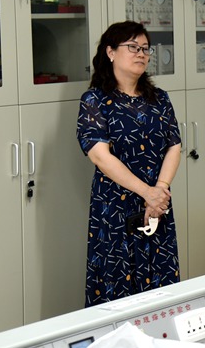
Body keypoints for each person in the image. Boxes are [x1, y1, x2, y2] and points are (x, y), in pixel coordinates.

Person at [77, 21, 182, 306]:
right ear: (110, 52)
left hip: (156, 207)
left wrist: (159, 191)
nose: (141, 54)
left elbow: (174, 145)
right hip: (115, 208)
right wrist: (147, 192)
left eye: (145, 49)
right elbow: (99, 155)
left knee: (160, 289)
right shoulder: (95, 100)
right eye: (133, 47)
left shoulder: (159, 98)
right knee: (117, 288)